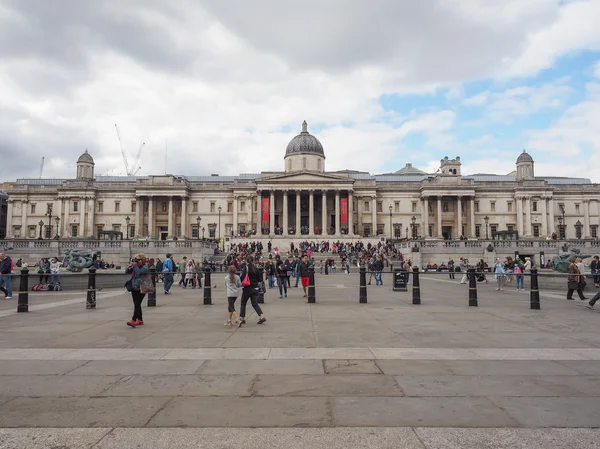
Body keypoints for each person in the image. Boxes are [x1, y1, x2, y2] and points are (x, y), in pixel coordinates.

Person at [238, 256, 266, 327]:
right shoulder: (255, 268)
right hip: (255, 288)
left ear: (246, 261)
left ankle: (242, 317)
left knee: (243, 303)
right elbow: (260, 279)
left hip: (248, 288)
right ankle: (262, 316)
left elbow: (243, 277)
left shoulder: (246, 268)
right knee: (254, 303)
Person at [125, 253, 150, 327]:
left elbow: (140, 272)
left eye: (138, 260)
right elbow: (126, 272)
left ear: (142, 260)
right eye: (136, 259)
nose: (136, 261)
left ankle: (133, 320)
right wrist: (129, 266)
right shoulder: (135, 266)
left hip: (141, 287)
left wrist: (135, 266)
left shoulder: (145, 267)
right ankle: (140, 319)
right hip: (134, 287)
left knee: (137, 304)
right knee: (136, 304)